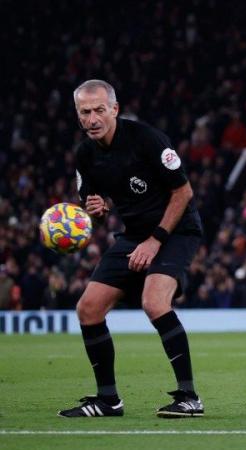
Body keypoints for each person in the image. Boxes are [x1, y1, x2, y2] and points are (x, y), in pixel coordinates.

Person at [58, 80, 204, 418]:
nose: (92, 118)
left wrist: (155, 240)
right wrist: (94, 209)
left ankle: (189, 397)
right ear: (78, 115)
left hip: (177, 229)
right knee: (88, 309)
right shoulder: (85, 155)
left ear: (114, 109)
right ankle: (108, 401)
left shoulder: (147, 139)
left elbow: (183, 193)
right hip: (134, 233)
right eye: (84, 112)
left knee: (154, 302)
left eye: (98, 110)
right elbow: (92, 203)